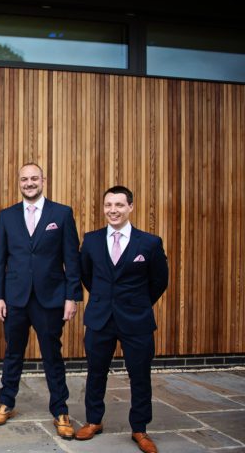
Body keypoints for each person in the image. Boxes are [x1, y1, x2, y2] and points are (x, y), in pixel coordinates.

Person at [0, 162, 81, 439]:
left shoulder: (61, 214)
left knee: (52, 355)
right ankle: (6, 402)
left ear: (44, 180)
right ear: (19, 182)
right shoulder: (7, 216)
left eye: (34, 178)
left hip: (50, 298)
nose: (29, 183)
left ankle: (60, 410)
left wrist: (72, 296)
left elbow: (71, 259)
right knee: (12, 352)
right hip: (15, 297)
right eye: (24, 179)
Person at [75, 186, 168, 453]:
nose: (112, 210)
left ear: (130, 207)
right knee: (96, 373)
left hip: (136, 319)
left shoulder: (149, 243)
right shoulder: (91, 240)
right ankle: (94, 421)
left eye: (118, 205)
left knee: (140, 375)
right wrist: (106, 299)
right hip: (100, 318)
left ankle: (139, 428)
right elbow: (87, 276)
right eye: (108, 205)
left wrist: (137, 303)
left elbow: (159, 281)